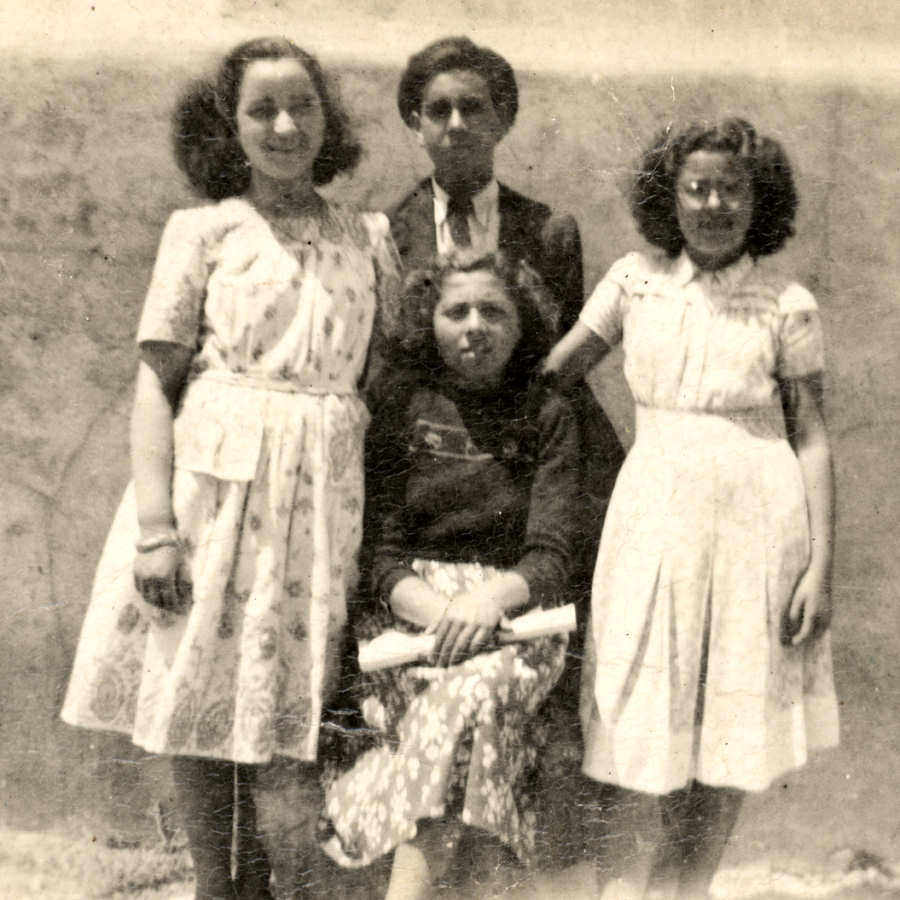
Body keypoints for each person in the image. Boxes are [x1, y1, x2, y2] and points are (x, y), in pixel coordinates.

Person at [61, 36, 399, 900]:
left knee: (285, 703)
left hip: (322, 498)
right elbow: (155, 383)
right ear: (229, 125)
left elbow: (384, 381)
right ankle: (219, 886)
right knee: (199, 692)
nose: (285, 127)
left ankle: (281, 885)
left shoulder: (369, 235)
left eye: (303, 106)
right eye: (262, 110)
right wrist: (155, 530)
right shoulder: (204, 231)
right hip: (215, 493)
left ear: (328, 117)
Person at [544, 117, 840, 899]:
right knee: (651, 704)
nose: (714, 205)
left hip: (758, 524)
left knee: (732, 717)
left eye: (732, 189)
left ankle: (689, 887)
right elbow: (555, 375)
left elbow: (811, 437)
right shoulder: (633, 283)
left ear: (759, 198)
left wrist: (820, 566)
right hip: (655, 515)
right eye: (697, 188)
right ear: (668, 198)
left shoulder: (786, 302)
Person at [319, 254, 582, 899]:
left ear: (522, 325)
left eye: (494, 312)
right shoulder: (402, 405)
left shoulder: (548, 413)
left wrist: (487, 604)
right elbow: (379, 555)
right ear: (427, 322)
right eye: (455, 311)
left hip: (515, 613)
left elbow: (551, 554)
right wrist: (444, 616)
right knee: (469, 713)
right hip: (413, 615)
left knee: (474, 696)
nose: (474, 327)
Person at [386, 33, 623, 712]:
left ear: (504, 119)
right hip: (433, 462)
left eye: (474, 107)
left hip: (525, 462)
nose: (457, 124)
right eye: (439, 110)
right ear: (416, 122)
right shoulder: (388, 230)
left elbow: (555, 364)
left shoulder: (548, 230)